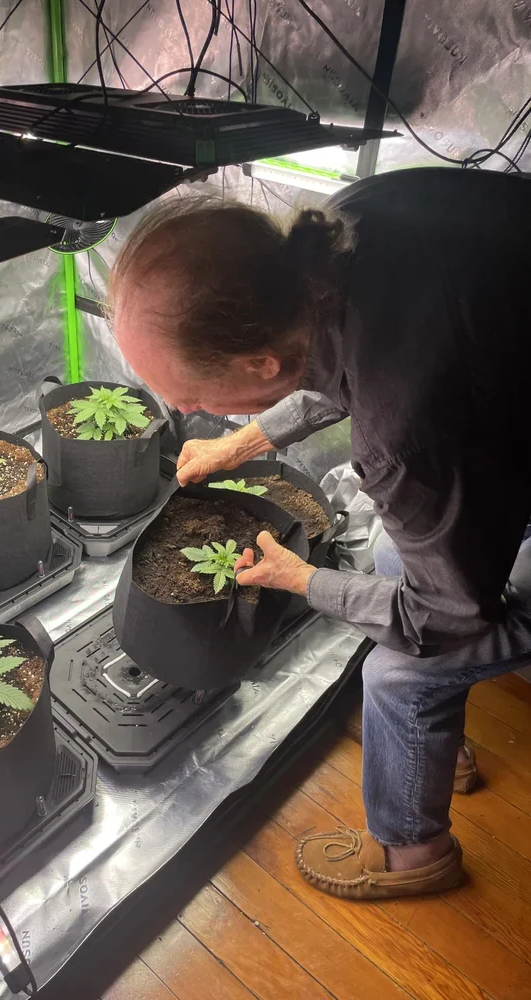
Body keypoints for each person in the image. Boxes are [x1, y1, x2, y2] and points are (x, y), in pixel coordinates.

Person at [110, 167, 531, 900]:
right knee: (396, 554)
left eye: (195, 401)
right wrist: (236, 446)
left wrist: (299, 579)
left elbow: (454, 616)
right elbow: (335, 364)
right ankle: (435, 748)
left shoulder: (402, 438)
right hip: (508, 401)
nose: (191, 412)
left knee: (397, 674)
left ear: (258, 365)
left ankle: (413, 854)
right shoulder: (338, 238)